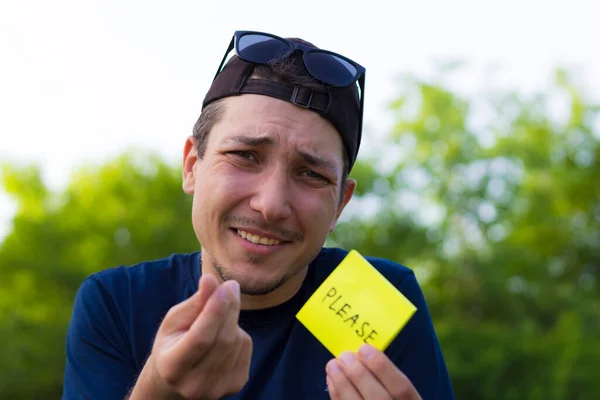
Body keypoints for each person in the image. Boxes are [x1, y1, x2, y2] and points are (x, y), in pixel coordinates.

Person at [62, 30, 455, 400]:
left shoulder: (379, 294)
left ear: (340, 204)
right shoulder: (117, 302)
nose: (270, 205)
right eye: (245, 156)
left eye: (311, 174)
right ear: (191, 166)